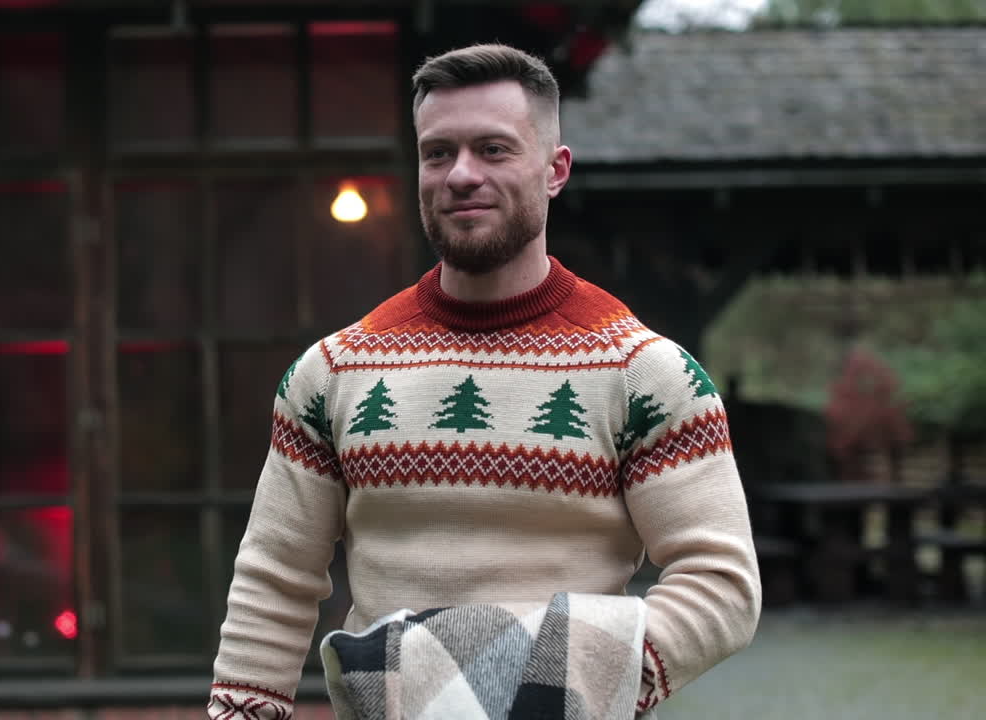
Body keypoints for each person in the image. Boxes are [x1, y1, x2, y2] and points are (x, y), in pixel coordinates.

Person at [208, 43, 760, 718]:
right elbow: (275, 578)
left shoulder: (644, 373)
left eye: (493, 149)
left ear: (555, 170)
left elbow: (722, 586)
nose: (460, 174)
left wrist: (562, 689)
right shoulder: (333, 374)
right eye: (438, 153)